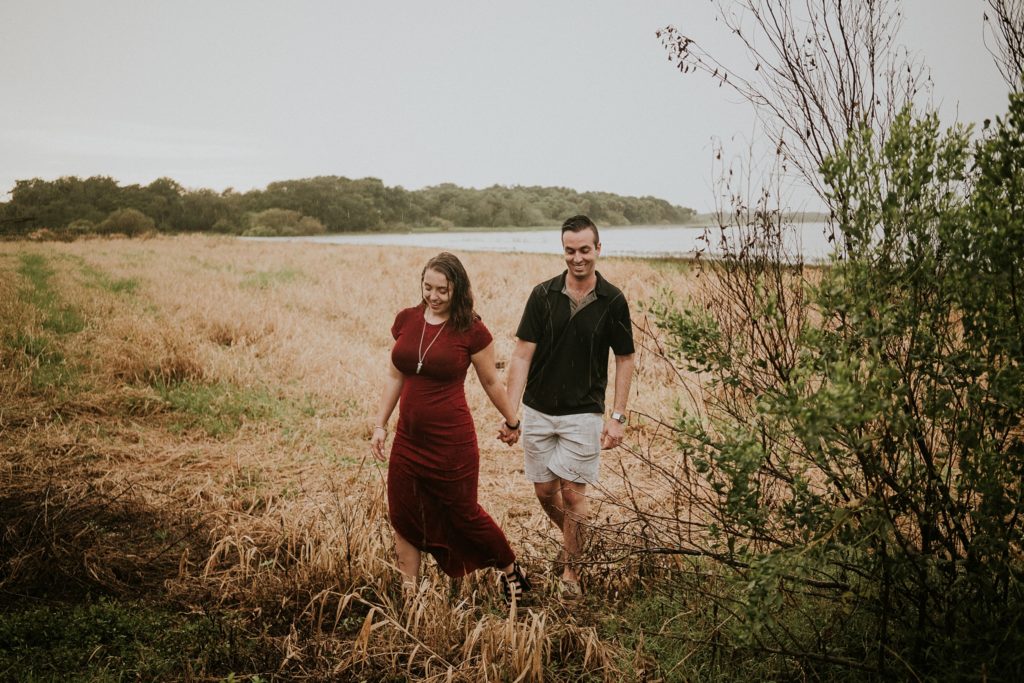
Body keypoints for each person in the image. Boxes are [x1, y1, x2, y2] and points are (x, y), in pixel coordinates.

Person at [370, 252, 531, 603]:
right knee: (403, 514)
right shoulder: (406, 320)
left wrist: (512, 420)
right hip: (408, 440)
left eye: (442, 289)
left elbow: (491, 381)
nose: (433, 296)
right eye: (428, 287)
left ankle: (510, 569)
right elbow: (395, 374)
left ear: (457, 288)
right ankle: (410, 597)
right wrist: (380, 424)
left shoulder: (471, 329)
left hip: (451, 443)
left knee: (465, 513)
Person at [501, 215, 635, 598]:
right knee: (545, 492)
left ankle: (572, 575)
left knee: (574, 495)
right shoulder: (542, 295)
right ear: (564, 250)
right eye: (570, 251)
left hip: (584, 412)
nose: (577, 258)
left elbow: (625, 358)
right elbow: (522, 355)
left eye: (585, 250)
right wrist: (512, 415)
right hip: (539, 410)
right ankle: (575, 543)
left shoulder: (614, 300)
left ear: (598, 249)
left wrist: (618, 417)